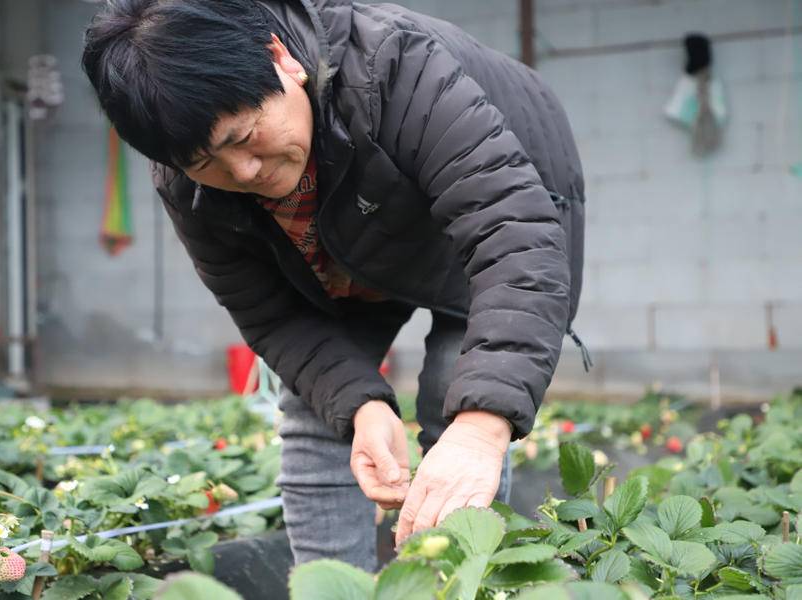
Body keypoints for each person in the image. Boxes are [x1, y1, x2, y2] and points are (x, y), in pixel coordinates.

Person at [82, 0, 587, 571]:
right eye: (207, 161)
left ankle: (460, 580)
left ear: (281, 60)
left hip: (502, 191)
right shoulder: (188, 182)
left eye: (245, 136)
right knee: (321, 406)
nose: (243, 172)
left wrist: (479, 431)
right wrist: (362, 407)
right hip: (347, 227)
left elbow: (511, 235)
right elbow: (273, 316)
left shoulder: (391, 69)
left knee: (458, 389)